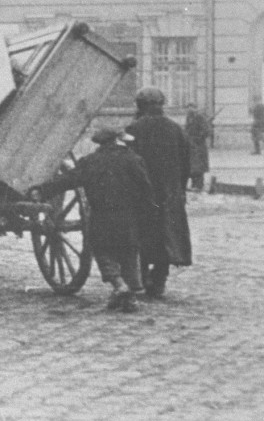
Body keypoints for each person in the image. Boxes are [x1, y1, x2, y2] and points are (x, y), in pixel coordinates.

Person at [30, 129, 154, 313]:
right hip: (129, 215)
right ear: (118, 141)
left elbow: (68, 181)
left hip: (102, 214)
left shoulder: (89, 161)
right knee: (129, 251)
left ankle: (119, 286)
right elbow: (146, 188)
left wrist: (41, 191)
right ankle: (131, 294)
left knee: (103, 251)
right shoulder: (133, 159)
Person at [126, 86, 192, 298]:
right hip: (170, 192)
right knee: (168, 234)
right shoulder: (175, 128)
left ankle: (143, 275)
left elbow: (128, 162)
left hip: (143, 192)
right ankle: (160, 279)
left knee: (142, 233)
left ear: (140, 105)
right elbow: (186, 162)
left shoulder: (134, 129)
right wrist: (180, 188)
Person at [184, 102, 212, 191]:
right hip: (190, 146)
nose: (189, 109)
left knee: (198, 168)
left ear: (195, 108)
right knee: (192, 167)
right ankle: (194, 185)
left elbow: (207, 131)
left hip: (199, 147)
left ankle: (199, 185)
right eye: (188, 108)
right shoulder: (189, 118)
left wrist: (198, 138)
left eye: (191, 107)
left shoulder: (200, 117)